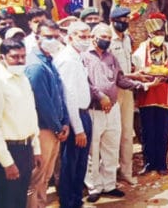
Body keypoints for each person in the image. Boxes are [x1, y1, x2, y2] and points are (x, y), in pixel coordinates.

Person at [83, 23, 150, 203]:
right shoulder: (84, 57)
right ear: (93, 37)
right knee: (93, 150)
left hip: (112, 109)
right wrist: (100, 96)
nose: (106, 40)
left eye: (108, 38)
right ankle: (94, 187)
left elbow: (120, 79)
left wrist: (140, 85)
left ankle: (109, 184)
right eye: (103, 37)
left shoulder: (111, 57)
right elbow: (85, 82)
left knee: (111, 147)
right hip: (94, 109)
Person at [0, 39, 41, 208]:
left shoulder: (23, 78)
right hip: (7, 151)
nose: (20, 61)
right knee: (7, 201)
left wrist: (36, 149)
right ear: (3, 57)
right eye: (14, 57)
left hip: (25, 149)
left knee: (20, 200)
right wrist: (7, 162)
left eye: (23, 56)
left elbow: (31, 116)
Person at [25, 20, 69, 208]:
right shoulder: (35, 66)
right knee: (37, 178)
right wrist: (58, 127)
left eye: (56, 37)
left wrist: (65, 121)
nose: (53, 40)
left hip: (55, 128)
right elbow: (43, 103)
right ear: (37, 38)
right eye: (48, 37)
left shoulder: (48, 61)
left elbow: (59, 95)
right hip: (44, 129)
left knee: (46, 176)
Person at [132, 13, 168, 175]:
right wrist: (144, 75)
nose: (158, 37)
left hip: (165, 97)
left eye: (161, 34)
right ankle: (148, 163)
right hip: (147, 97)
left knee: (163, 132)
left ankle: (162, 164)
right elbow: (135, 71)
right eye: (155, 34)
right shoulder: (141, 51)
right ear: (149, 35)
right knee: (147, 132)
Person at [52, 21, 93, 208]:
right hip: (75, 116)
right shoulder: (67, 60)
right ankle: (69, 202)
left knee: (80, 163)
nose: (86, 41)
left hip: (84, 113)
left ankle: (76, 200)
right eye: (81, 37)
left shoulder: (77, 57)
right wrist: (78, 129)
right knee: (71, 164)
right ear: (70, 38)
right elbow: (69, 97)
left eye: (88, 37)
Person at [108, 6, 139, 185]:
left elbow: (129, 63)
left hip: (127, 90)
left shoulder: (127, 38)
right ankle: (109, 175)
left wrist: (136, 71)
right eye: (122, 20)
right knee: (111, 133)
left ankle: (126, 171)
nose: (125, 23)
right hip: (112, 91)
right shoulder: (107, 38)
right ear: (113, 21)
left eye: (127, 20)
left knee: (127, 133)